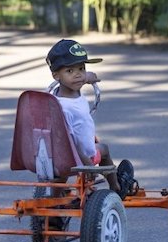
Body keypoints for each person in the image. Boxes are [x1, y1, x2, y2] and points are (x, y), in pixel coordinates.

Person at [46, 39, 136, 200]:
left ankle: (53, 199)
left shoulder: (59, 97)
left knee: (61, 174)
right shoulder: (64, 109)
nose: (78, 74)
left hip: (57, 159)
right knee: (104, 149)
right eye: (70, 71)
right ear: (56, 75)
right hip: (79, 156)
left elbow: (76, 78)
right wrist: (87, 164)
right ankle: (116, 187)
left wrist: (87, 77)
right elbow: (71, 142)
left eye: (81, 68)